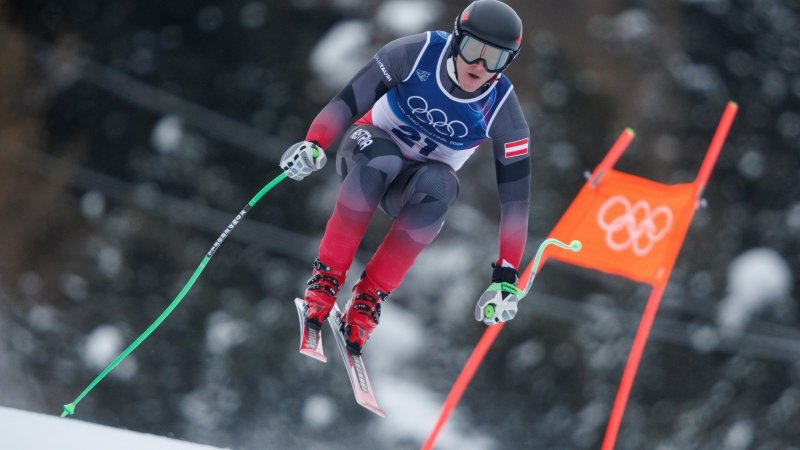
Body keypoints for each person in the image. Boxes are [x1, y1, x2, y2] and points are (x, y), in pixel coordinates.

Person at [280, 0, 531, 354]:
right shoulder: (415, 53)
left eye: (496, 58)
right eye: (474, 50)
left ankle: (369, 298)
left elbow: (516, 201)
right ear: (457, 40)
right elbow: (348, 100)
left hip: (409, 188)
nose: (480, 65)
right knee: (383, 160)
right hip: (365, 156)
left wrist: (507, 275)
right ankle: (326, 278)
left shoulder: (504, 111)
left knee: (442, 187)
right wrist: (314, 142)